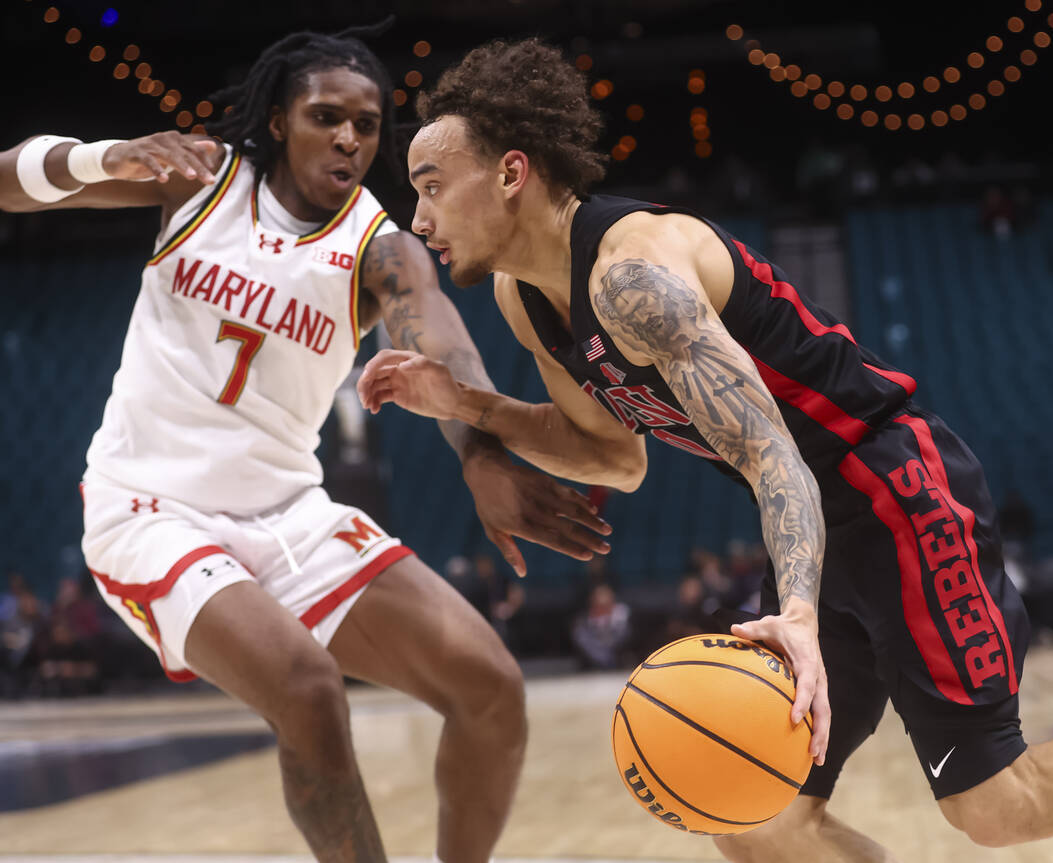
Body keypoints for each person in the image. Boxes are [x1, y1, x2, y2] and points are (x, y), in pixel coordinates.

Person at [357, 37, 1053, 860]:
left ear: (511, 172)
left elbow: (774, 455)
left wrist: (795, 612)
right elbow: (616, 457)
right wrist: (473, 405)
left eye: (431, 186)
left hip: (890, 487)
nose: (418, 216)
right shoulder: (525, 297)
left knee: (997, 803)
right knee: (754, 813)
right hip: (808, 524)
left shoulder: (633, 274)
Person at [0, 25, 613, 863]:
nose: (351, 139)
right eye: (327, 116)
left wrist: (482, 458)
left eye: (367, 124)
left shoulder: (381, 247)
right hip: (150, 507)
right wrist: (101, 159)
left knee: (492, 688)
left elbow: (438, 342)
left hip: (289, 511)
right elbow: (10, 181)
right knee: (309, 689)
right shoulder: (205, 181)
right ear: (281, 120)